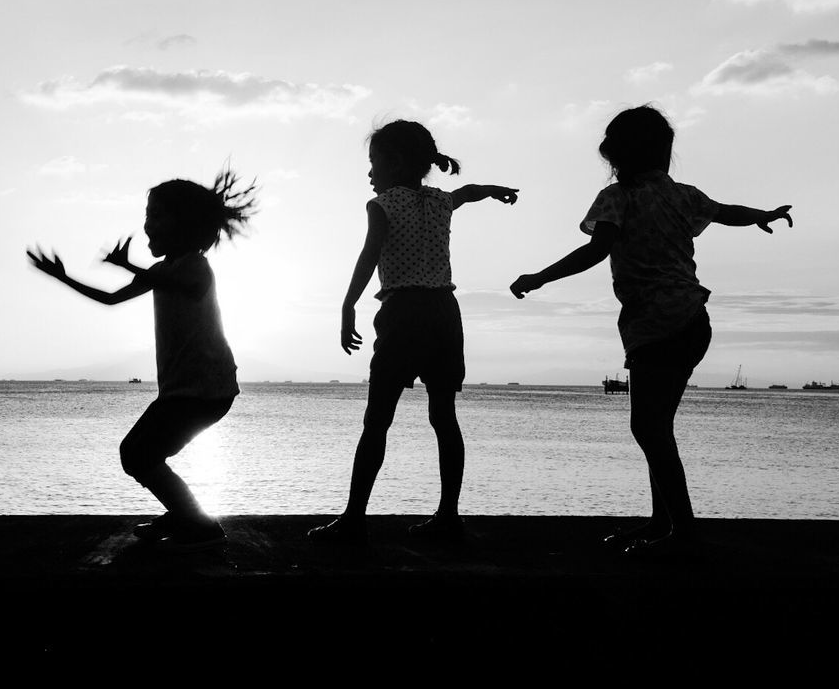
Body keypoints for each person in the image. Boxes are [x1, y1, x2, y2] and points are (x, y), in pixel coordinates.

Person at [510, 105, 792, 556]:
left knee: (648, 427)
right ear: (663, 152)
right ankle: (664, 523)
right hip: (692, 321)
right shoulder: (683, 195)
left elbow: (596, 250)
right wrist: (762, 214)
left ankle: (682, 533)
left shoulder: (617, 198)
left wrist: (539, 277)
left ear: (615, 155)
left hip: (657, 325)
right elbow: (725, 212)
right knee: (656, 427)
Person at [309, 120, 519, 545]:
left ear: (396, 162)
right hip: (443, 313)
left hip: (403, 313)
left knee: (377, 421)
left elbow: (369, 258)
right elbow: (469, 192)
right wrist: (495, 191)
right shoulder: (440, 201)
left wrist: (348, 304)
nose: (370, 173)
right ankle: (448, 515)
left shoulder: (383, 205)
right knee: (444, 417)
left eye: (374, 163)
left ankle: (353, 519)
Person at [28, 168, 256, 551]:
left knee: (137, 453)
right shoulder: (161, 271)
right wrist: (62, 277)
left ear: (183, 224)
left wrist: (130, 267)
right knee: (144, 454)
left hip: (205, 389)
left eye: (156, 215)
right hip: (186, 389)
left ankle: (196, 524)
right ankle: (186, 516)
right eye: (146, 215)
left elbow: (182, 286)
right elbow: (110, 299)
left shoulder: (195, 267)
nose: (147, 224)